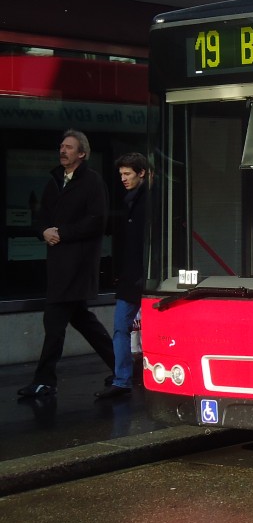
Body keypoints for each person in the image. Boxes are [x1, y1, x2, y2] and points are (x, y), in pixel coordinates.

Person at [18, 130, 113, 399]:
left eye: (69, 147)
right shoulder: (55, 180)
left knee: (55, 320)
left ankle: (45, 380)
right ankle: (123, 369)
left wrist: (61, 233)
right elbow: (41, 217)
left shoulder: (93, 182)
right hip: (59, 265)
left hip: (78, 265)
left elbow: (97, 221)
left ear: (81, 154)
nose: (63, 150)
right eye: (61, 146)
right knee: (84, 321)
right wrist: (44, 231)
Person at [95, 152, 149, 399]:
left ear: (142, 173)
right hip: (132, 277)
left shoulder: (149, 201)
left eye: (127, 174)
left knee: (130, 329)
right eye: (121, 175)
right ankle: (122, 379)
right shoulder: (130, 200)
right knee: (120, 328)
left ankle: (130, 378)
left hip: (146, 277)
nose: (123, 179)